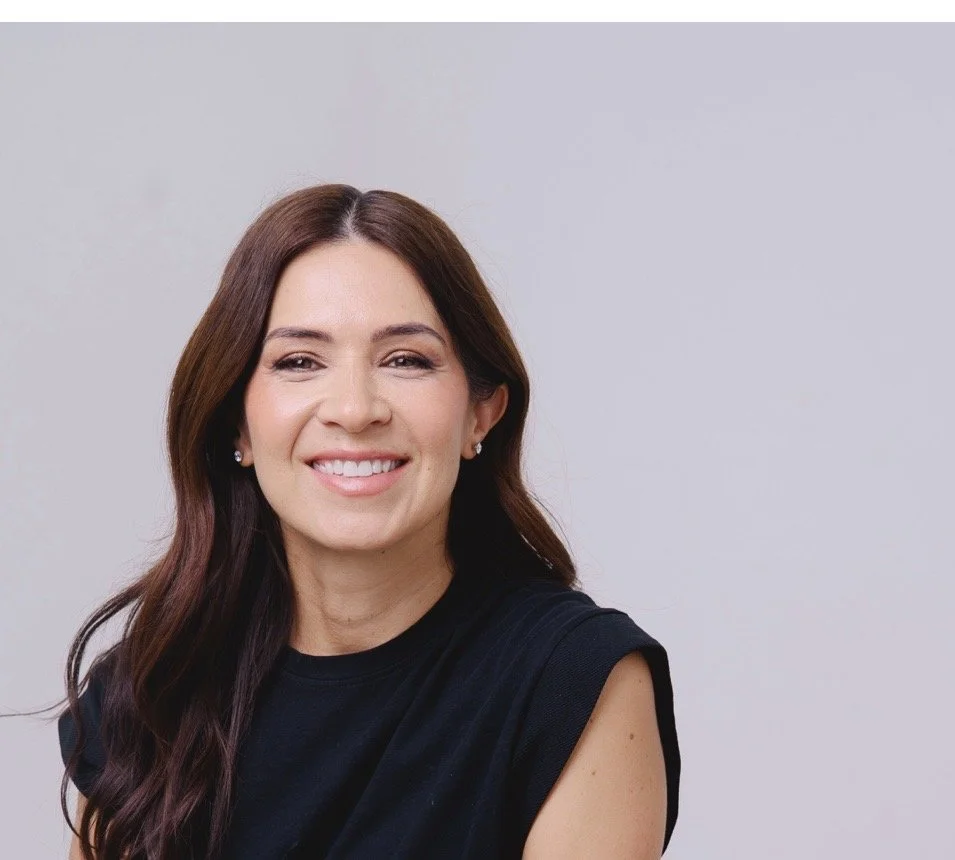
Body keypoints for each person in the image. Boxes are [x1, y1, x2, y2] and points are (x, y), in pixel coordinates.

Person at [57, 184, 681, 859]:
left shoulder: (573, 680)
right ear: (236, 419)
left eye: (405, 360)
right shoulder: (151, 689)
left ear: (481, 413)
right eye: (299, 362)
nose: (354, 410)